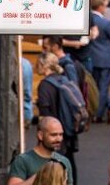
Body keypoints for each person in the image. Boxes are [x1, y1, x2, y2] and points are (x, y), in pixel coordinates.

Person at [34, 53, 80, 183]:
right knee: (69, 162)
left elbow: (44, 113)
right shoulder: (64, 80)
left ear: (43, 65)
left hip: (53, 131)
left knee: (54, 165)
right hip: (68, 129)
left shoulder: (45, 85)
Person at [8, 117, 74, 185]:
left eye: (61, 134)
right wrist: (40, 176)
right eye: (53, 135)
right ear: (40, 135)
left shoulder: (64, 162)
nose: (59, 139)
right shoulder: (22, 160)